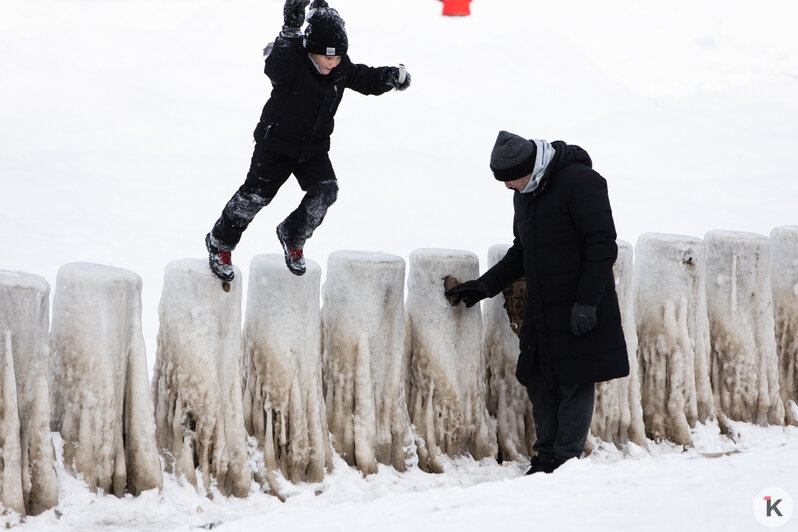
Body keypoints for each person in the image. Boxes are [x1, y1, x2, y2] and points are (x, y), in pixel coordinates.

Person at [445, 131, 629, 474]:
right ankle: (545, 456)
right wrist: (483, 287)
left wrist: (586, 303)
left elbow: (602, 245)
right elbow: (522, 251)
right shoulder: (525, 193)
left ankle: (565, 459)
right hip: (543, 304)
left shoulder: (581, 182)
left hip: (580, 302)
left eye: (509, 179)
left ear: (529, 167)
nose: (506, 187)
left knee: (575, 380)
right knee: (539, 378)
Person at [206, 0, 411, 280]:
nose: (332, 62)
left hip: (313, 149)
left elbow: (365, 79)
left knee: (326, 191)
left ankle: (292, 232)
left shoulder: (340, 68)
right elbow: (275, 66)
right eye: (327, 57)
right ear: (310, 50)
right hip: (276, 144)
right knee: (253, 198)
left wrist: (388, 77)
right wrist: (290, 29)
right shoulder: (292, 62)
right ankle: (220, 243)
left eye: (338, 57)